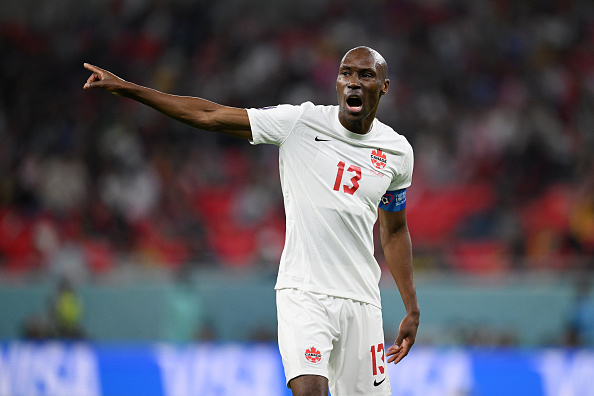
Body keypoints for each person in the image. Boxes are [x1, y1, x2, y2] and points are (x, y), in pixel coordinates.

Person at [83, 45, 419, 396]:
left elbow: (394, 231)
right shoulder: (300, 123)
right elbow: (210, 115)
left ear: (383, 86)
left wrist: (411, 307)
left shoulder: (397, 152)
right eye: (345, 73)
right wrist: (129, 88)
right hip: (304, 293)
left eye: (365, 75)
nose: (352, 82)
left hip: (361, 301)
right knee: (310, 391)